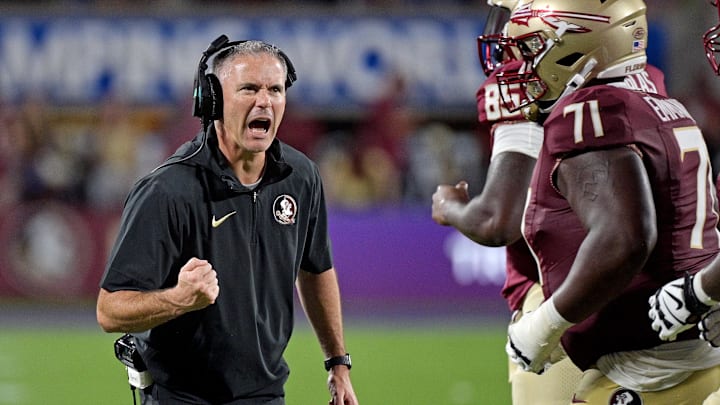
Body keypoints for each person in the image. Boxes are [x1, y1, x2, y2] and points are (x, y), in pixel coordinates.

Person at [95, 36, 359, 405]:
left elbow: (316, 270)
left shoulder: (302, 177)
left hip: (265, 394)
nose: (264, 101)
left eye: (275, 89)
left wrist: (337, 363)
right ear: (213, 101)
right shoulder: (166, 190)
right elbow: (110, 310)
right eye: (249, 88)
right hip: (181, 396)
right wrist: (178, 299)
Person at [495, 0, 720, 403]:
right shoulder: (663, 103)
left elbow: (624, 239)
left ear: (577, 44)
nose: (519, 64)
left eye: (532, 48)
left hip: (651, 371)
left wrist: (543, 326)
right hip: (699, 352)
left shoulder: (591, 109)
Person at [432, 2, 582, 404]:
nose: (508, 36)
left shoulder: (526, 87)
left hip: (567, 304)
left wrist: (448, 207)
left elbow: (499, 219)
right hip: (656, 308)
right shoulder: (646, 85)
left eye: (521, 20)